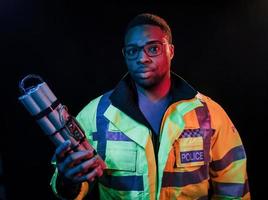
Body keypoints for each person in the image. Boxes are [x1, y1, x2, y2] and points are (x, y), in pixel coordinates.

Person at [50, 13, 250, 199]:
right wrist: (68, 180)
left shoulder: (209, 114)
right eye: (133, 51)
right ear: (125, 54)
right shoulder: (96, 114)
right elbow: (71, 187)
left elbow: (234, 186)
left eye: (153, 48)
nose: (142, 58)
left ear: (170, 51)